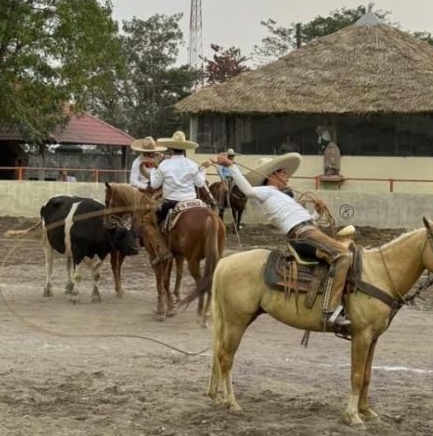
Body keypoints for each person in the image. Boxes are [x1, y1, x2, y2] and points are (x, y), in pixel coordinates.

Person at [214, 150, 353, 329]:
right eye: (284, 174)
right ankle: (330, 310)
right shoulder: (265, 192)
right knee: (344, 255)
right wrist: (231, 166)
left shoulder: (283, 196)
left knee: (346, 254)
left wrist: (317, 212)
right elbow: (247, 190)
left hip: (307, 229)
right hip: (303, 234)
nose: (287, 179)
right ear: (273, 175)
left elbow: (303, 218)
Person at [147, 130, 213, 264]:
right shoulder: (192, 164)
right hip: (194, 201)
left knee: (148, 221)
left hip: (172, 203)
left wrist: (154, 169)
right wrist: (203, 171)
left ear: (171, 148)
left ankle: (163, 250)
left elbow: (154, 184)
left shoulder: (164, 165)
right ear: (184, 149)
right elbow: (200, 183)